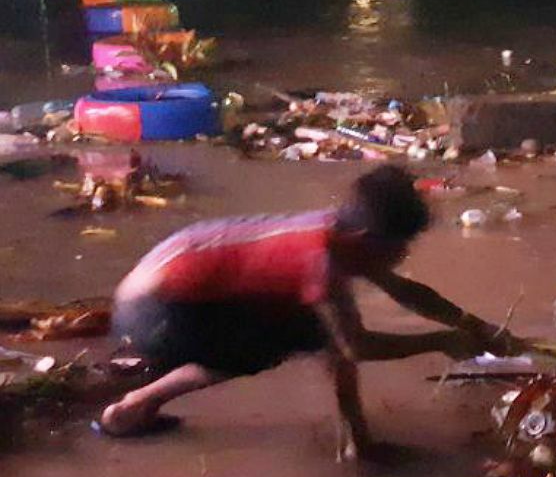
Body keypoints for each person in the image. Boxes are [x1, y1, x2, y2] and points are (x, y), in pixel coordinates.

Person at [96, 165, 519, 460]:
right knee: (311, 333)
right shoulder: (321, 260)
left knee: (313, 328)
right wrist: (442, 342)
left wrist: (475, 326)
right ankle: (134, 407)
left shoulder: (342, 233)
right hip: (154, 314)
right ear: (371, 238)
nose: (403, 255)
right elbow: (354, 347)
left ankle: (356, 439)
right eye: (399, 247)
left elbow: (406, 292)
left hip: (163, 292)